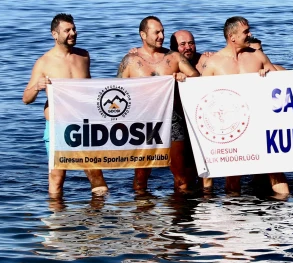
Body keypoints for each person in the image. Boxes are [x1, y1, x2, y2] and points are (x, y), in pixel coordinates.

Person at [22, 13, 108, 198]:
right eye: (67, 30)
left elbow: (90, 88)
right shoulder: (44, 62)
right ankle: (57, 222)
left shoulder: (83, 56)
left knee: (96, 175)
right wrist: (37, 87)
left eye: (74, 29)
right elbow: (26, 98)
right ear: (55, 34)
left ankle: (98, 221)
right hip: (57, 126)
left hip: (84, 125)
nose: (73, 33)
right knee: (57, 177)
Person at [202, 17, 288, 195]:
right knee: (232, 176)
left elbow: (280, 89)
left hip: (261, 121)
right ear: (232, 37)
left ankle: (284, 210)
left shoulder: (257, 56)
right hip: (231, 126)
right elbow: (203, 99)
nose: (250, 34)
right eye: (246, 32)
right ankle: (233, 215)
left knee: (275, 168)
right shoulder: (214, 63)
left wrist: (268, 77)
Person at [117, 16, 200, 194]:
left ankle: (179, 219)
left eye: (162, 31)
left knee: (181, 178)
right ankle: (143, 218)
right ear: (143, 34)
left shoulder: (174, 57)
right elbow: (118, 91)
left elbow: (197, 77)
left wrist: (183, 78)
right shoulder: (130, 61)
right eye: (156, 32)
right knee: (141, 178)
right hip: (142, 122)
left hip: (172, 119)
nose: (161, 36)